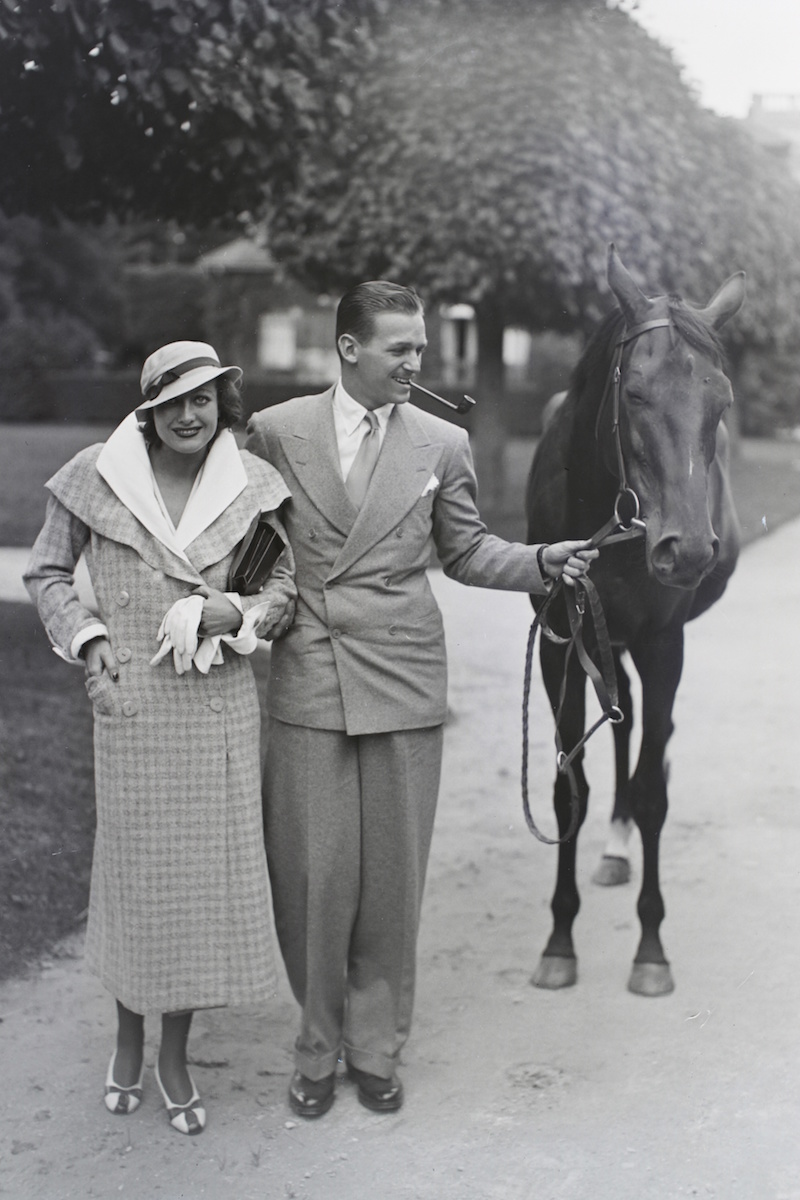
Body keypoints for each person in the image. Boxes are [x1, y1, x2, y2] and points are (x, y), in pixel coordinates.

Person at [245, 281, 598, 1118]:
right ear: (350, 349)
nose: (417, 362)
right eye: (400, 347)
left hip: (402, 676)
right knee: (312, 881)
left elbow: (467, 551)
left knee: (391, 881)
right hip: (311, 677)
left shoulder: (442, 442)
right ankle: (317, 1045)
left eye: (420, 346)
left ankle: (375, 1049)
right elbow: (249, 549)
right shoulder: (275, 431)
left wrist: (543, 561)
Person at [24, 341, 296, 1136]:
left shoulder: (251, 484)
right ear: (147, 410)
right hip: (134, 708)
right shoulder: (96, 475)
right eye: (173, 401)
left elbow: (281, 586)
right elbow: (45, 573)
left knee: (197, 892)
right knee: (139, 881)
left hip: (217, 712)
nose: (190, 414)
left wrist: (234, 614)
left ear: (222, 403)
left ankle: (174, 1052)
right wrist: (89, 638)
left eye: (204, 398)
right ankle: (126, 1034)